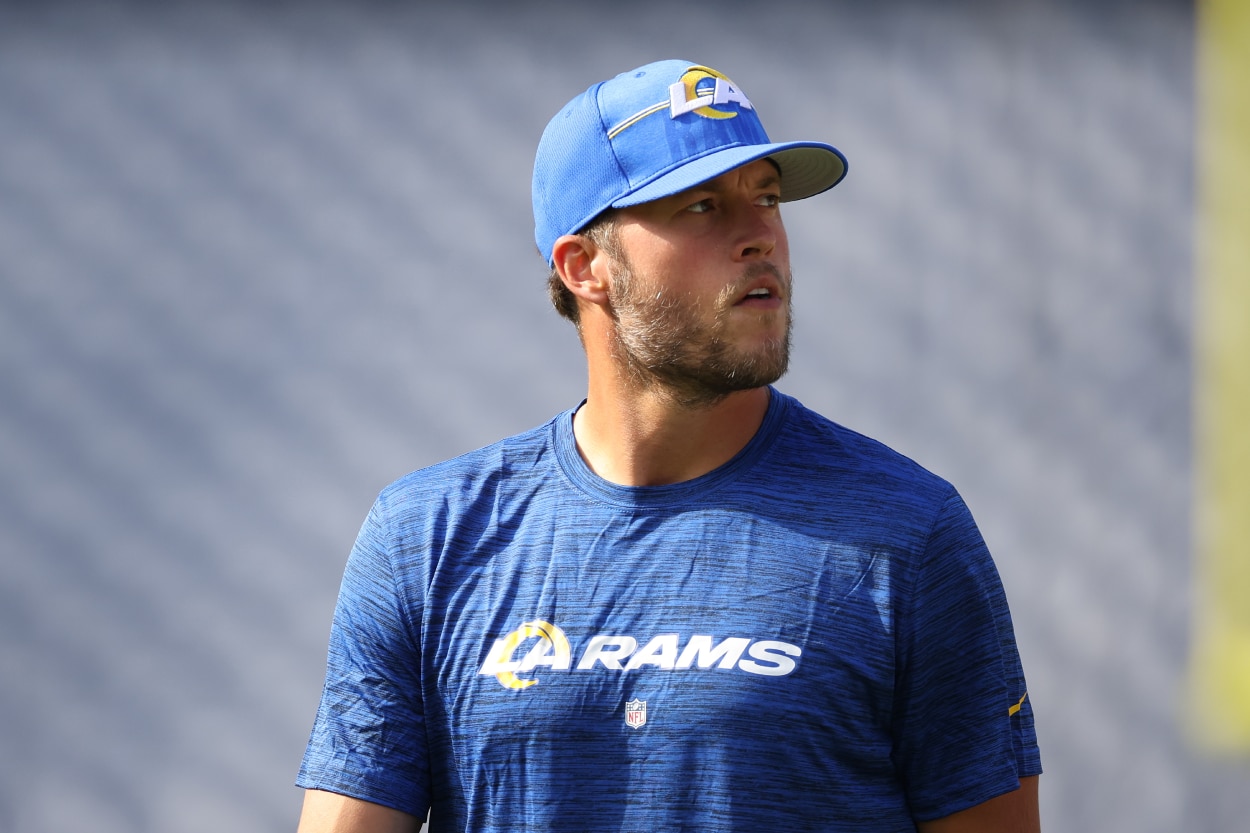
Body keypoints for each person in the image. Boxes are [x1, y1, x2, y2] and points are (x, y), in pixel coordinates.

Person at [295, 59, 1042, 832]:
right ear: (586, 267)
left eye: (768, 198)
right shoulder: (425, 537)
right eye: (702, 206)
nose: (760, 236)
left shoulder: (908, 534)